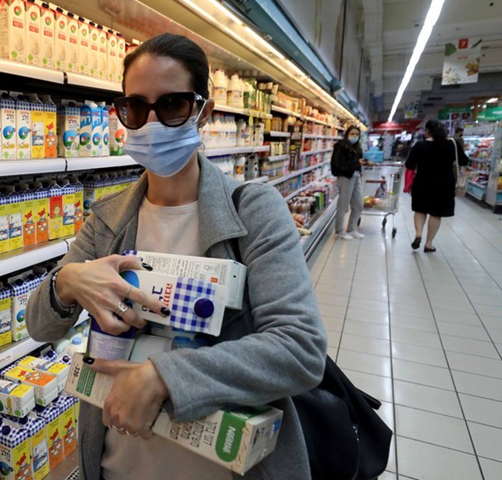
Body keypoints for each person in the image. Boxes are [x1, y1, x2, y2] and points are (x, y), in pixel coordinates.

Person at [26, 33, 327, 480]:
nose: (151, 123)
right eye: (136, 108)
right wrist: (65, 282)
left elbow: (300, 349)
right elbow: (39, 325)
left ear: (204, 112)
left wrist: (164, 375)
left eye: (172, 105)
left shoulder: (253, 210)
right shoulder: (107, 219)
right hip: (118, 465)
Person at [405, 119, 468, 252]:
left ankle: (418, 234)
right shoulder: (452, 144)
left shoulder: (420, 145)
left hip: (422, 182)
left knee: (420, 210)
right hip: (444, 185)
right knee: (436, 214)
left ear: (427, 130)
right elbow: (463, 161)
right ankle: (428, 244)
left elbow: (409, 165)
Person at [331, 126, 369, 240]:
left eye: (357, 134)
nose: (355, 136)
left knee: (358, 204)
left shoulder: (357, 147)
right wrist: (356, 163)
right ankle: (339, 231)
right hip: (345, 177)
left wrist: (364, 163)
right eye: (352, 134)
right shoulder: (341, 146)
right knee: (343, 205)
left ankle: (352, 229)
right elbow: (338, 165)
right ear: (347, 134)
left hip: (356, 176)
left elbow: (357, 162)